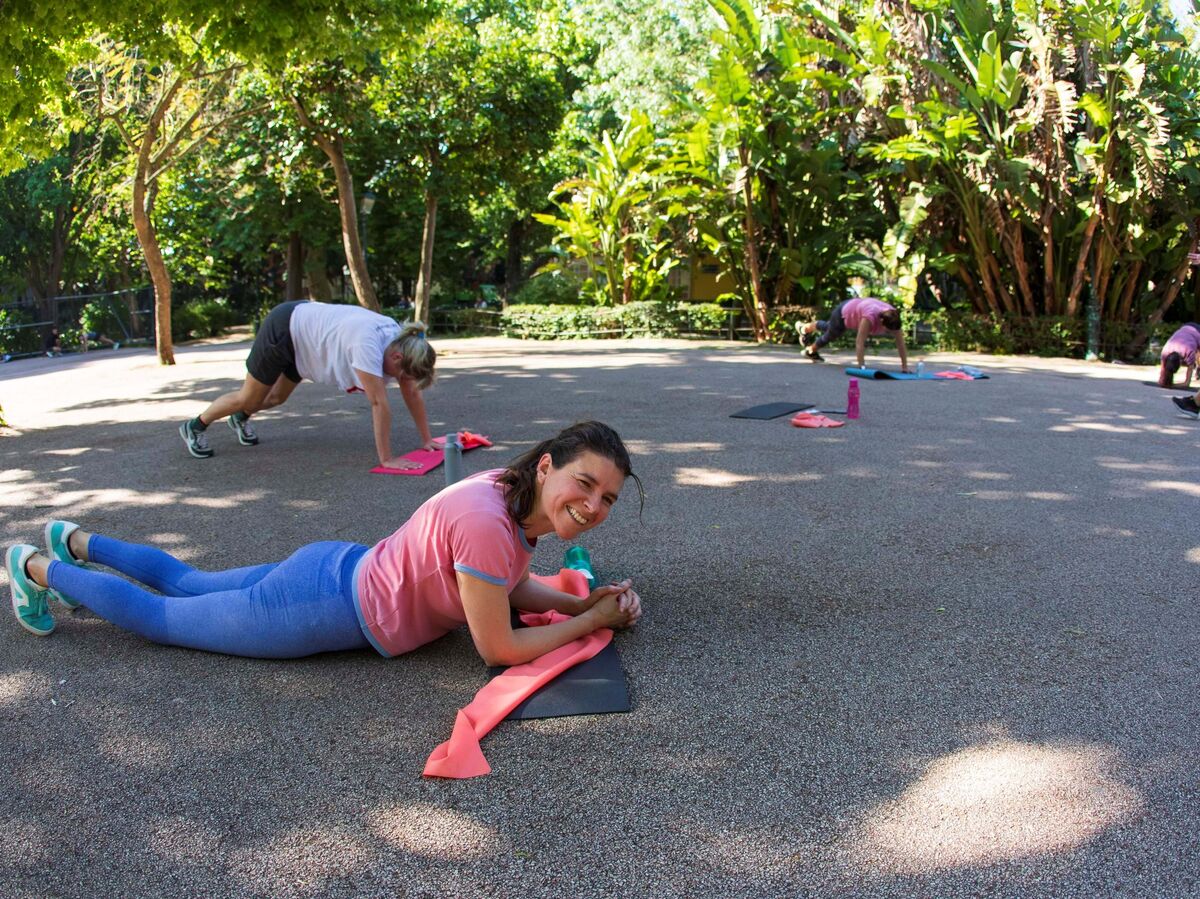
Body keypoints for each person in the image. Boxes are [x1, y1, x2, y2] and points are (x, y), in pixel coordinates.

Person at [8, 421, 643, 666]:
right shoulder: (486, 520)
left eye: (607, 498)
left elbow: (502, 585)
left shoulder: (504, 494)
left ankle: (75, 539)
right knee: (162, 617)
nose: (592, 506)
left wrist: (581, 607)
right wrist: (592, 623)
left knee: (189, 583)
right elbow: (499, 646)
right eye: (584, 483)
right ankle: (34, 566)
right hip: (317, 606)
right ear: (547, 467)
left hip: (330, 570)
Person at [179, 300, 436, 468]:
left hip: (304, 344)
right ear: (397, 357)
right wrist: (387, 459)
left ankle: (240, 418)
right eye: (402, 375)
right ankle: (196, 426)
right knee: (250, 397)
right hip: (284, 329)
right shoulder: (367, 344)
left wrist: (427, 439)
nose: (401, 381)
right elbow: (378, 403)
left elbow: (411, 392)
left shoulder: (401, 342)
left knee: (276, 398)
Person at [798, 297, 910, 372]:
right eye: (889, 330)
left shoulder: (893, 317)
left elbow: (901, 344)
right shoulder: (870, 316)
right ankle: (807, 337)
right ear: (881, 322)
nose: (891, 333)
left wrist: (904, 367)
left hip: (856, 307)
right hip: (844, 311)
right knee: (832, 333)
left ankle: (809, 346)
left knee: (829, 328)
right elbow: (860, 342)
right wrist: (861, 366)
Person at [1157, 323, 1200, 387]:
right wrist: (1165, 382)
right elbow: (1162, 375)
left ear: (1180, 362)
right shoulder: (1165, 352)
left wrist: (1172, 385)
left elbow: (1187, 383)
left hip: (1197, 331)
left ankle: (1198, 369)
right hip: (1185, 327)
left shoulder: (1188, 352)